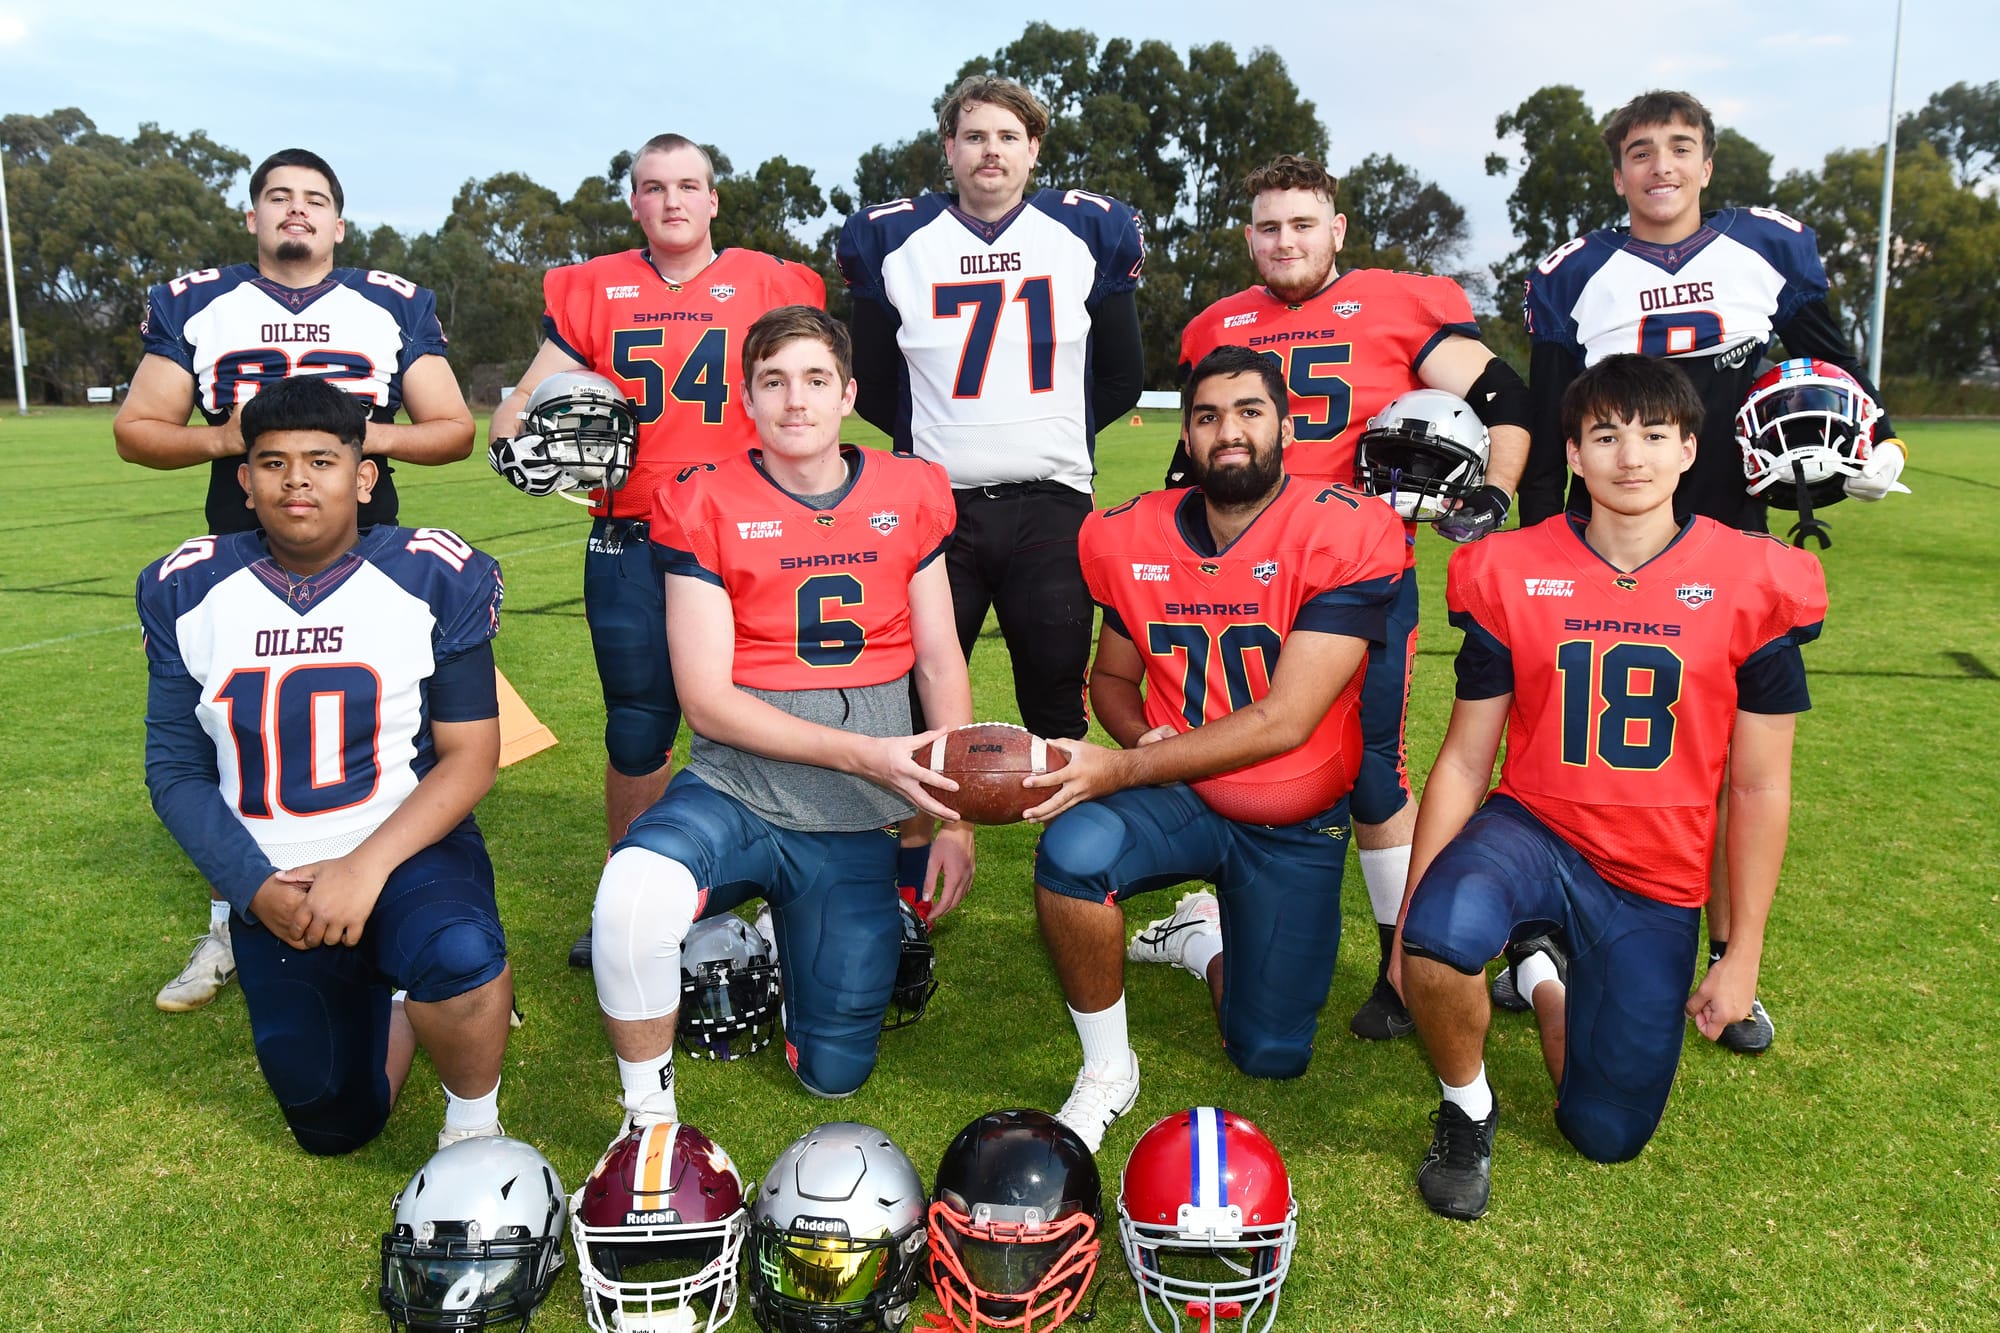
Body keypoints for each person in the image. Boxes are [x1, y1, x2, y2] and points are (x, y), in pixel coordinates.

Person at [1515, 90, 1907, 1052]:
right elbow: (1546, 405)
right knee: (1578, 739)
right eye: (1641, 152)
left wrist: (1879, 436)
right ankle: (1555, 935)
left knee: (1734, 760)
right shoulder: (1576, 272)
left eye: (1679, 149)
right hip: (1605, 540)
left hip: (1730, 534)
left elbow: (1834, 362)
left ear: (1707, 163)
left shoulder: (1769, 247)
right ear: (1617, 173)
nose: (1661, 167)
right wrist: (1530, 537)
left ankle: (1733, 956)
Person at [1392, 354, 1826, 1220]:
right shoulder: (1510, 567)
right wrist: (1410, 913)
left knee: (1605, 1133)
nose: (1631, 456)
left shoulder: (1755, 577)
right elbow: (1467, 759)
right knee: (1439, 939)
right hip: (1535, 828)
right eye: (1606, 435)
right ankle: (1466, 1107)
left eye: (1654, 435)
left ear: (1690, 448)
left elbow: (1760, 786)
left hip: (1657, 871)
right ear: (1576, 455)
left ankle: (1543, 972)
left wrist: (1740, 955)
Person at [587, 305, 974, 1131]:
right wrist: (868, 753)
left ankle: (777, 936)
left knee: (834, 1077)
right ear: (747, 400)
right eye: (773, 381)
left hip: (854, 821)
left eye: (814, 379)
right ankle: (646, 1118)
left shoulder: (910, 490)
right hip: (739, 790)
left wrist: (954, 815)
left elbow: (940, 659)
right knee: (631, 892)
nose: (795, 400)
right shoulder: (705, 501)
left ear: (848, 394)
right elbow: (707, 699)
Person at [1175, 154, 1533, 1042]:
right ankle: (1231, 925)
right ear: (1248, 235)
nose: (1284, 240)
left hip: (1356, 565)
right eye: (1267, 225)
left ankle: (1400, 961)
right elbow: (1194, 458)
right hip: (1242, 572)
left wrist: (1493, 492)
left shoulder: (1404, 302)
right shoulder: (1218, 323)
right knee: (1236, 742)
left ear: (1336, 230)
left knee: (1373, 764)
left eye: (1302, 223)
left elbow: (1504, 395)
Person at [115, 147, 478, 1014]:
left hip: (372, 548)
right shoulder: (199, 300)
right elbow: (136, 428)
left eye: (315, 199)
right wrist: (233, 439)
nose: (296, 211)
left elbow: (454, 427)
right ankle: (232, 911)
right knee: (229, 733)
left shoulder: (388, 301)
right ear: (252, 217)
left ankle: (430, 916)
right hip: (239, 545)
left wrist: (345, 438)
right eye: (278, 197)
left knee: (412, 733)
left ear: (339, 223)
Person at [1021, 345, 1404, 1151]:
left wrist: (1122, 766)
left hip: (1292, 813)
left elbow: (1286, 720)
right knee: (1072, 848)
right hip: (1181, 791)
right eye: (1206, 417)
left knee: (1270, 1055)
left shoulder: (1343, 528)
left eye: (1248, 412)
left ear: (1287, 429)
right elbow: (1114, 680)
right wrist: (1136, 735)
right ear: (1187, 439)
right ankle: (1106, 1068)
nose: (1227, 431)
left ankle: (1201, 941)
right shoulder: (1131, 536)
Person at [137, 375, 514, 1155]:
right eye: (272, 463)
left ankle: (473, 1127)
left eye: (320, 460)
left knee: (458, 949)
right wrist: (253, 886)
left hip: (406, 845)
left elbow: (472, 753)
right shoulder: (188, 587)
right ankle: (397, 1001)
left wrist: (366, 867)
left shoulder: (431, 573)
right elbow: (175, 769)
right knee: (332, 1123)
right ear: (244, 482)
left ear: (363, 475)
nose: (297, 480)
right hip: (274, 873)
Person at [488, 134, 826, 969]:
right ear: (634, 202)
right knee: (638, 728)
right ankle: (625, 900)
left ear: (715, 200)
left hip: (746, 532)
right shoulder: (597, 286)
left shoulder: (767, 281)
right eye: (652, 187)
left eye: (688, 186)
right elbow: (525, 395)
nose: (672, 200)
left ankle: (783, 891)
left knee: (770, 715)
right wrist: (508, 438)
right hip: (630, 533)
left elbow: (811, 382)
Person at [837, 75, 1146, 906]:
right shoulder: (895, 238)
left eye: (1008, 136)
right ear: (949, 147)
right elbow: (870, 383)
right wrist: (935, 448)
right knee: (913, 698)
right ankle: (904, 890)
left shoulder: (1084, 228)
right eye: (974, 136)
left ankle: (1081, 884)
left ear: (1034, 148)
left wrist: (1047, 437)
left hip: (1051, 501)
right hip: (941, 509)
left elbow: (1123, 374)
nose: (991, 151)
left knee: (1055, 690)